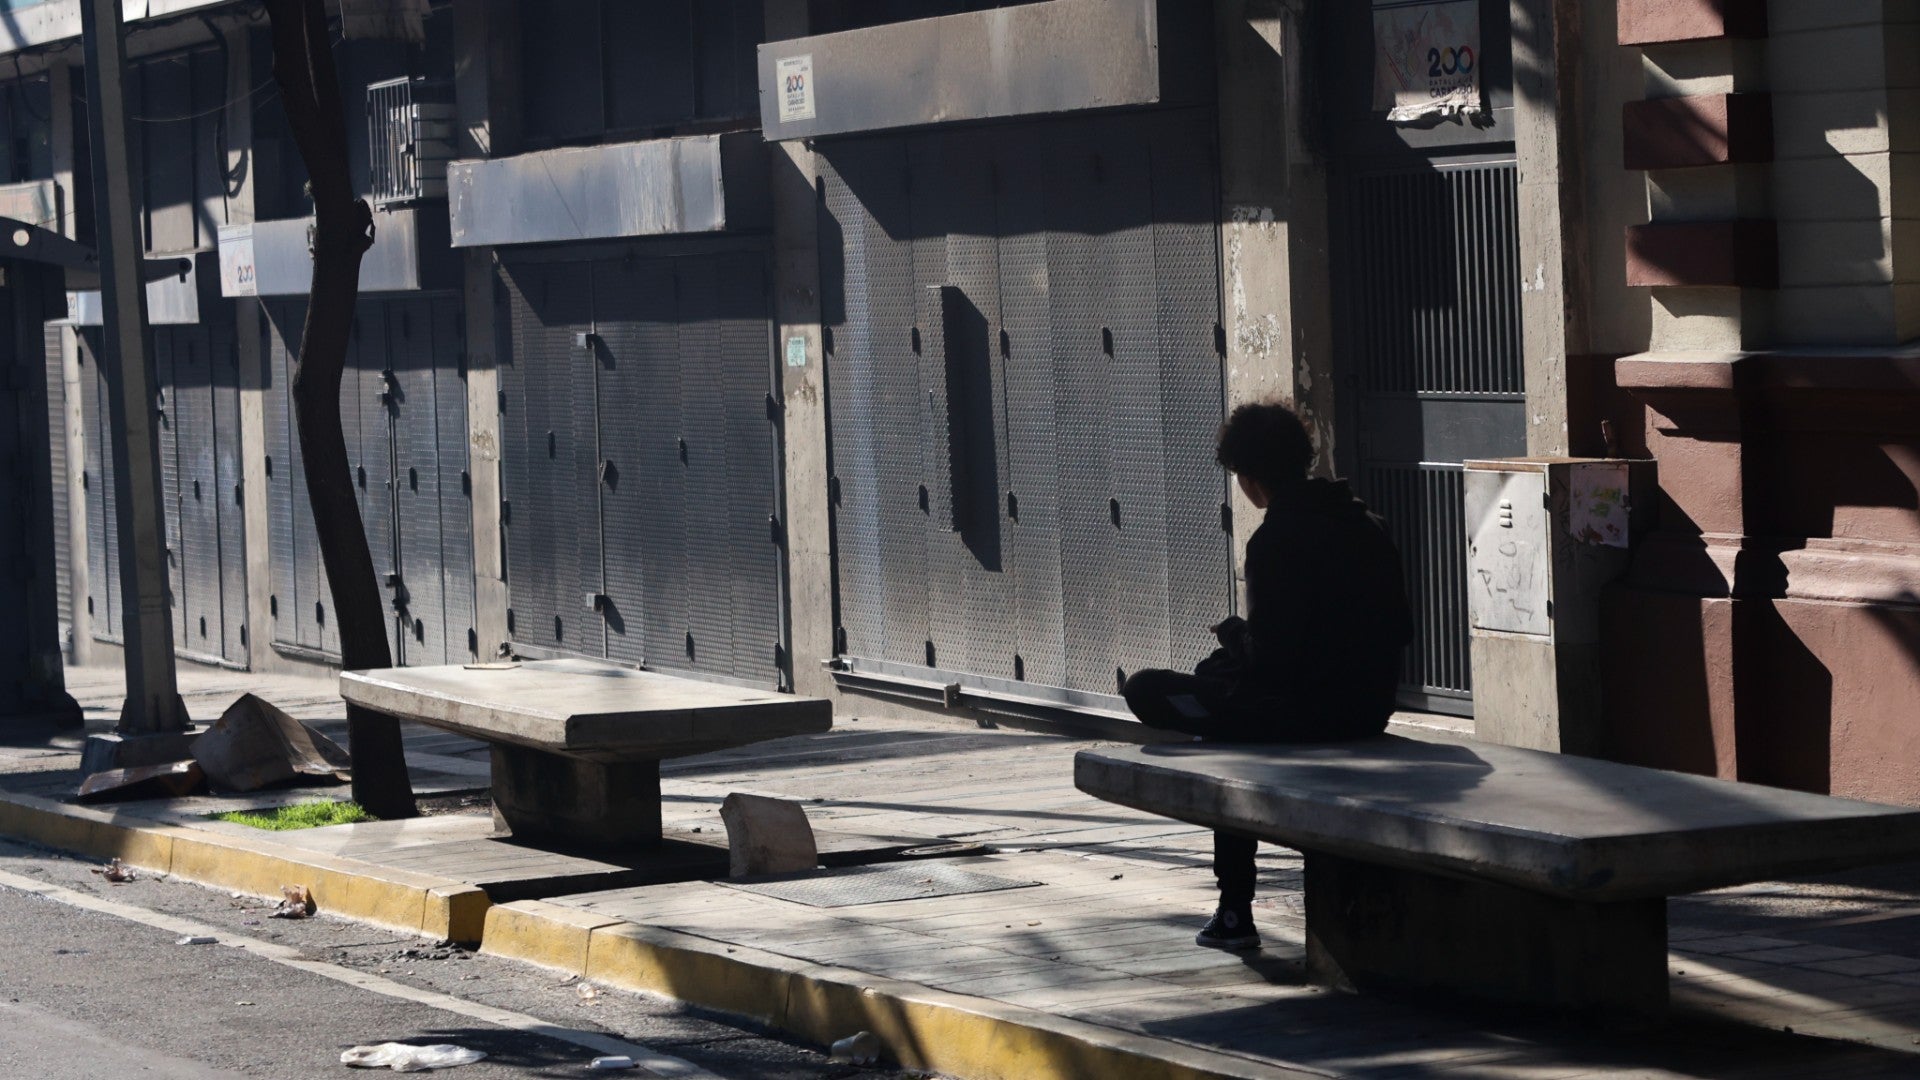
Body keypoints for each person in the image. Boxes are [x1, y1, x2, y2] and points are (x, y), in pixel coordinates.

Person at [1122, 400, 1413, 950]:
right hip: (1367, 705)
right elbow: (1397, 629)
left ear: (1250, 479)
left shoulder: (1276, 540)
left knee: (1155, 693)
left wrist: (1234, 637)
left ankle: (1235, 909)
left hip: (1306, 714)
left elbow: (1276, 663)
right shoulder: (1367, 524)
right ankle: (1232, 911)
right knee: (1220, 683)